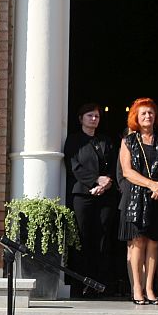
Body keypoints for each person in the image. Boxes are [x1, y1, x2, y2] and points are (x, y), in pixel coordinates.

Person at [118, 97, 158, 304]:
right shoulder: (129, 141)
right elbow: (127, 171)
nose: (147, 116)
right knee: (137, 243)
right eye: (143, 113)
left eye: (150, 112)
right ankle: (137, 287)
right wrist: (151, 184)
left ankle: (150, 287)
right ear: (136, 116)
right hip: (136, 196)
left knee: (154, 243)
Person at [63, 102, 119, 295]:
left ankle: (101, 284)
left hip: (105, 195)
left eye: (96, 116)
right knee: (82, 237)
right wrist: (94, 181)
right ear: (81, 119)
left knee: (103, 237)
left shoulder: (105, 141)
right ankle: (80, 284)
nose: (94, 119)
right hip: (82, 195)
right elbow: (73, 166)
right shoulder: (74, 141)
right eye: (90, 116)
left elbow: (114, 165)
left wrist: (106, 183)